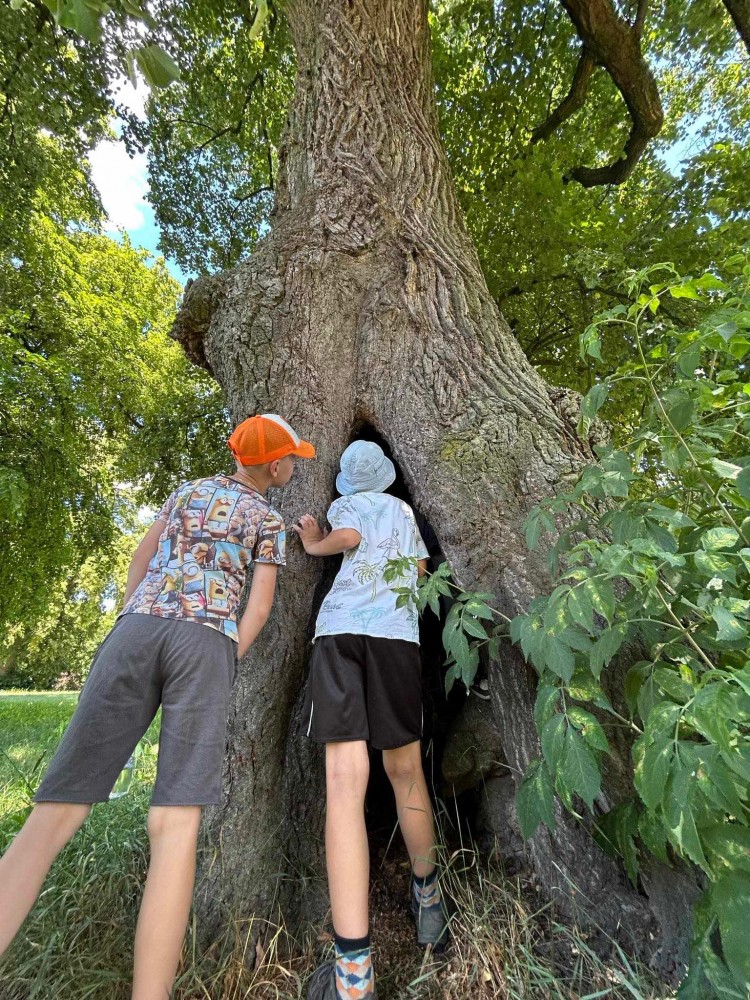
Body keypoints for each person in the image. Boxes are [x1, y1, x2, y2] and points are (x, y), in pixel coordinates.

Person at [0, 413, 315, 1000]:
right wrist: (225, 657)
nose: (295, 465)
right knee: (175, 824)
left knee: (54, 811)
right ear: (276, 468)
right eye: (293, 458)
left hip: (137, 629)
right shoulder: (268, 521)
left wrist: (131, 618)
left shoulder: (186, 492)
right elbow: (259, 607)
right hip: (206, 640)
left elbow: (140, 559)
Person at [294, 440, 449, 1000]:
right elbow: (422, 570)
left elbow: (347, 539)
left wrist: (314, 541)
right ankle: (429, 903)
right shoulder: (405, 512)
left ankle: (353, 974)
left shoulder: (348, 506)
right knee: (405, 770)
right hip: (396, 639)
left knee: (344, 781)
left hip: (341, 636)